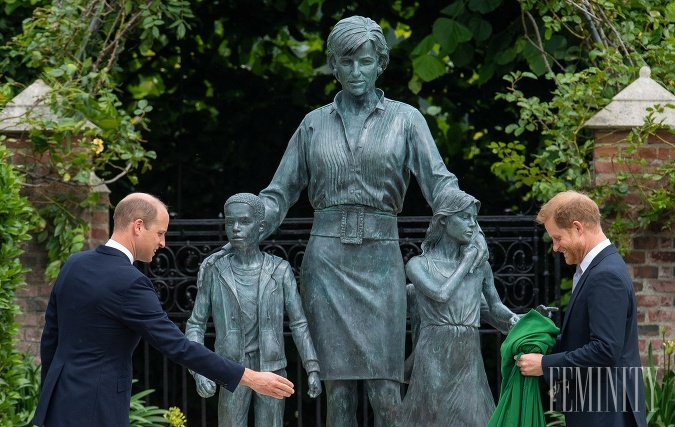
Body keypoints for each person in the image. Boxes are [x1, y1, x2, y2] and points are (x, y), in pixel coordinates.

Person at [33, 193, 294, 427]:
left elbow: (50, 338)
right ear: (138, 226)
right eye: (159, 233)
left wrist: (51, 391)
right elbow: (178, 346)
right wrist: (249, 377)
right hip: (98, 408)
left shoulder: (74, 265)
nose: (163, 243)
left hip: (58, 400)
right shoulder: (131, 283)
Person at [185, 193, 322, 427]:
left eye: (244, 222)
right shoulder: (215, 271)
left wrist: (312, 368)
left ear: (260, 227)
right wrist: (199, 371)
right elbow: (195, 325)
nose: (236, 228)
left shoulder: (280, 270)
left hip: (272, 367)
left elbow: (298, 323)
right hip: (231, 369)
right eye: (230, 222)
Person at [517, 190, 647, 427]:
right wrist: (539, 344)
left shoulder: (606, 275)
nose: (555, 247)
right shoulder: (595, 269)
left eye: (557, 238)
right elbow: (583, 339)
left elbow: (605, 350)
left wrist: (544, 365)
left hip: (607, 414)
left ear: (578, 228)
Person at [399, 188, 518, 427]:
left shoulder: (481, 268)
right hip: (433, 353)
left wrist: (521, 319)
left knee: (476, 418)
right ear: (443, 220)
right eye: (464, 217)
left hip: (468, 355)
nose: (472, 225)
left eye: (474, 219)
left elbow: (495, 308)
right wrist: (466, 262)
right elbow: (441, 294)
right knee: (431, 418)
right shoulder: (418, 264)